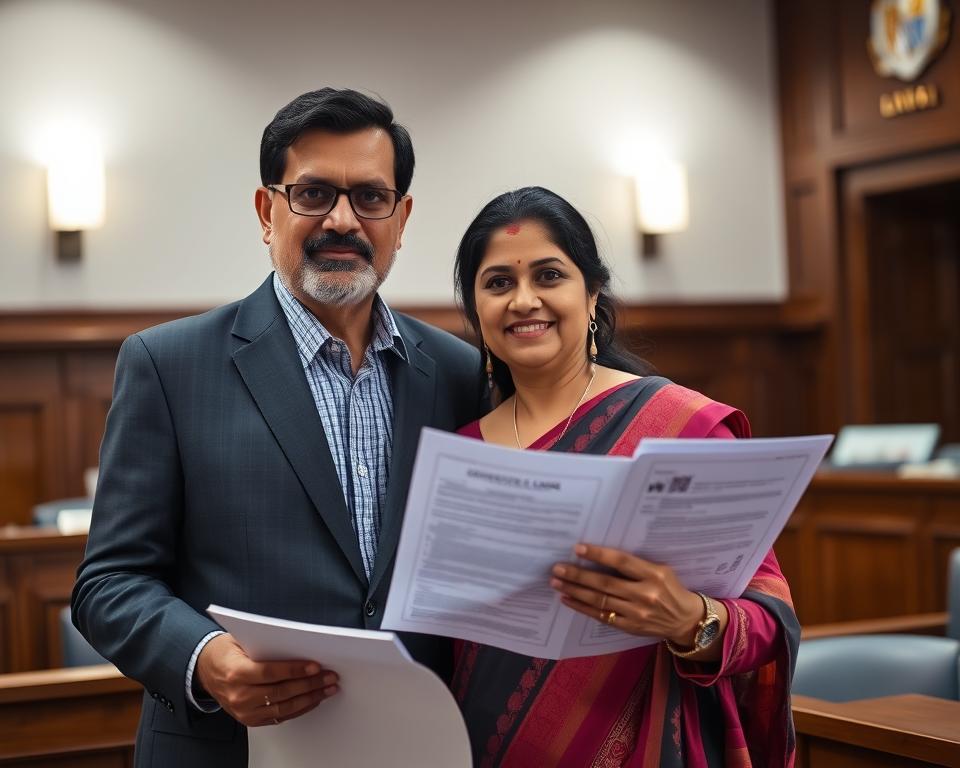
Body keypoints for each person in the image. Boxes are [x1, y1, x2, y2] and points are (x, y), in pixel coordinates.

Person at [71, 88, 485, 767]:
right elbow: (109, 583)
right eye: (314, 193)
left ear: (401, 217)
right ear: (268, 212)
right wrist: (205, 658)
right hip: (230, 751)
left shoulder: (459, 372)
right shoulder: (168, 365)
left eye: (371, 197)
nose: (343, 220)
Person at [450, 186, 799, 767]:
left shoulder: (678, 429)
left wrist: (689, 619)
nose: (524, 300)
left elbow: (768, 617)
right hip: (477, 746)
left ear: (592, 295)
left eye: (549, 275)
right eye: (498, 283)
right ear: (476, 310)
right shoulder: (460, 450)